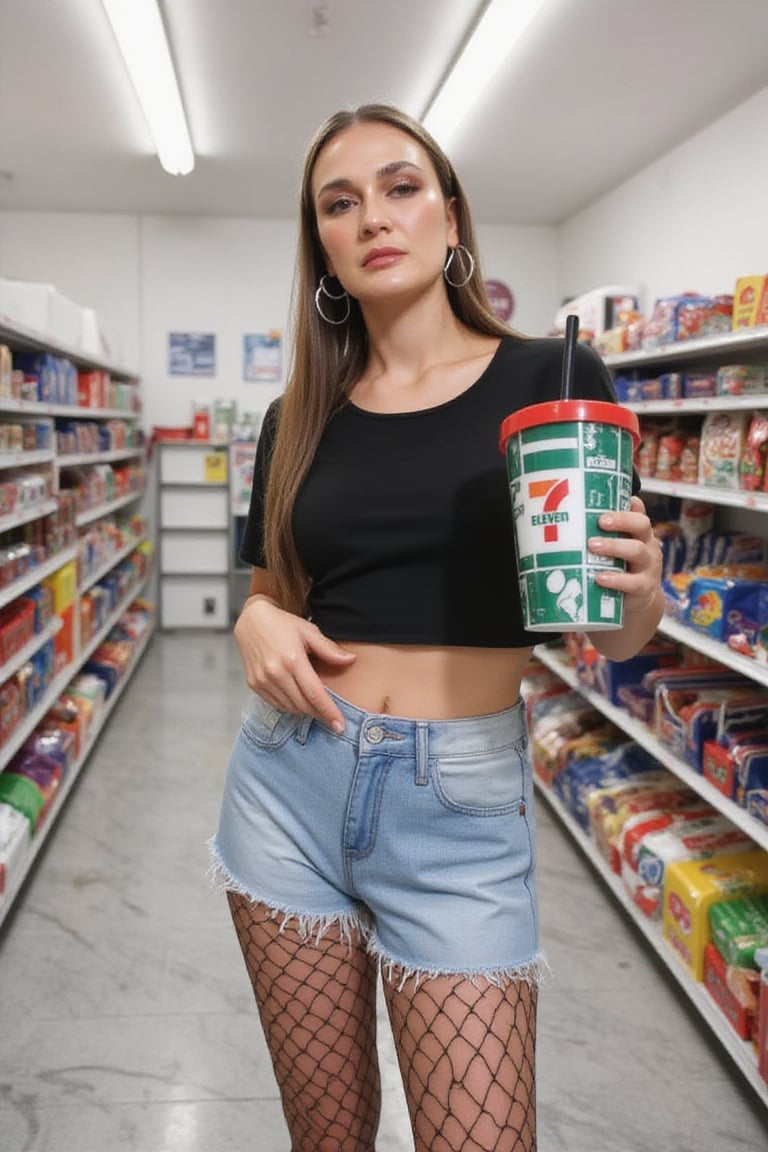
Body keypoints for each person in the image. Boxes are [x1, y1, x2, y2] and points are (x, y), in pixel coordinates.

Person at [209, 103, 664, 1152]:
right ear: (320, 243)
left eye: (401, 187)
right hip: (289, 786)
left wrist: (639, 597)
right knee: (329, 1139)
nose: (374, 215)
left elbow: (623, 633)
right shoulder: (297, 418)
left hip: (460, 810)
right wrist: (255, 624)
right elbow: (271, 593)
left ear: (450, 219)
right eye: (340, 201)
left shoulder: (554, 379)